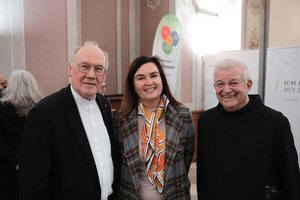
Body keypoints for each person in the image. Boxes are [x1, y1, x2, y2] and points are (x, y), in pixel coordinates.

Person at [19, 41, 118, 200]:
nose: (91, 75)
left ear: (104, 76)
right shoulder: (44, 113)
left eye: (98, 69)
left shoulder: (104, 104)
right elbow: (32, 184)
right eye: (84, 67)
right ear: (70, 69)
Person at [197, 59, 300, 200]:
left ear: (248, 85)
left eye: (233, 82)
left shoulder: (275, 122)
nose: (226, 90)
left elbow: (290, 177)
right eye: (220, 84)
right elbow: (204, 175)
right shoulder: (206, 121)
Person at [113, 56, 195, 199]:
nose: (149, 82)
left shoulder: (182, 115)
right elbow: (118, 164)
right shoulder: (120, 119)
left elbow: (186, 159)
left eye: (153, 75)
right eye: (141, 78)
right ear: (132, 85)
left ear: (161, 79)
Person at [0, 70, 43, 200]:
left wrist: (15, 162)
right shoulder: (41, 107)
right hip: (36, 165)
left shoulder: (3, 107)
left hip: (8, 167)